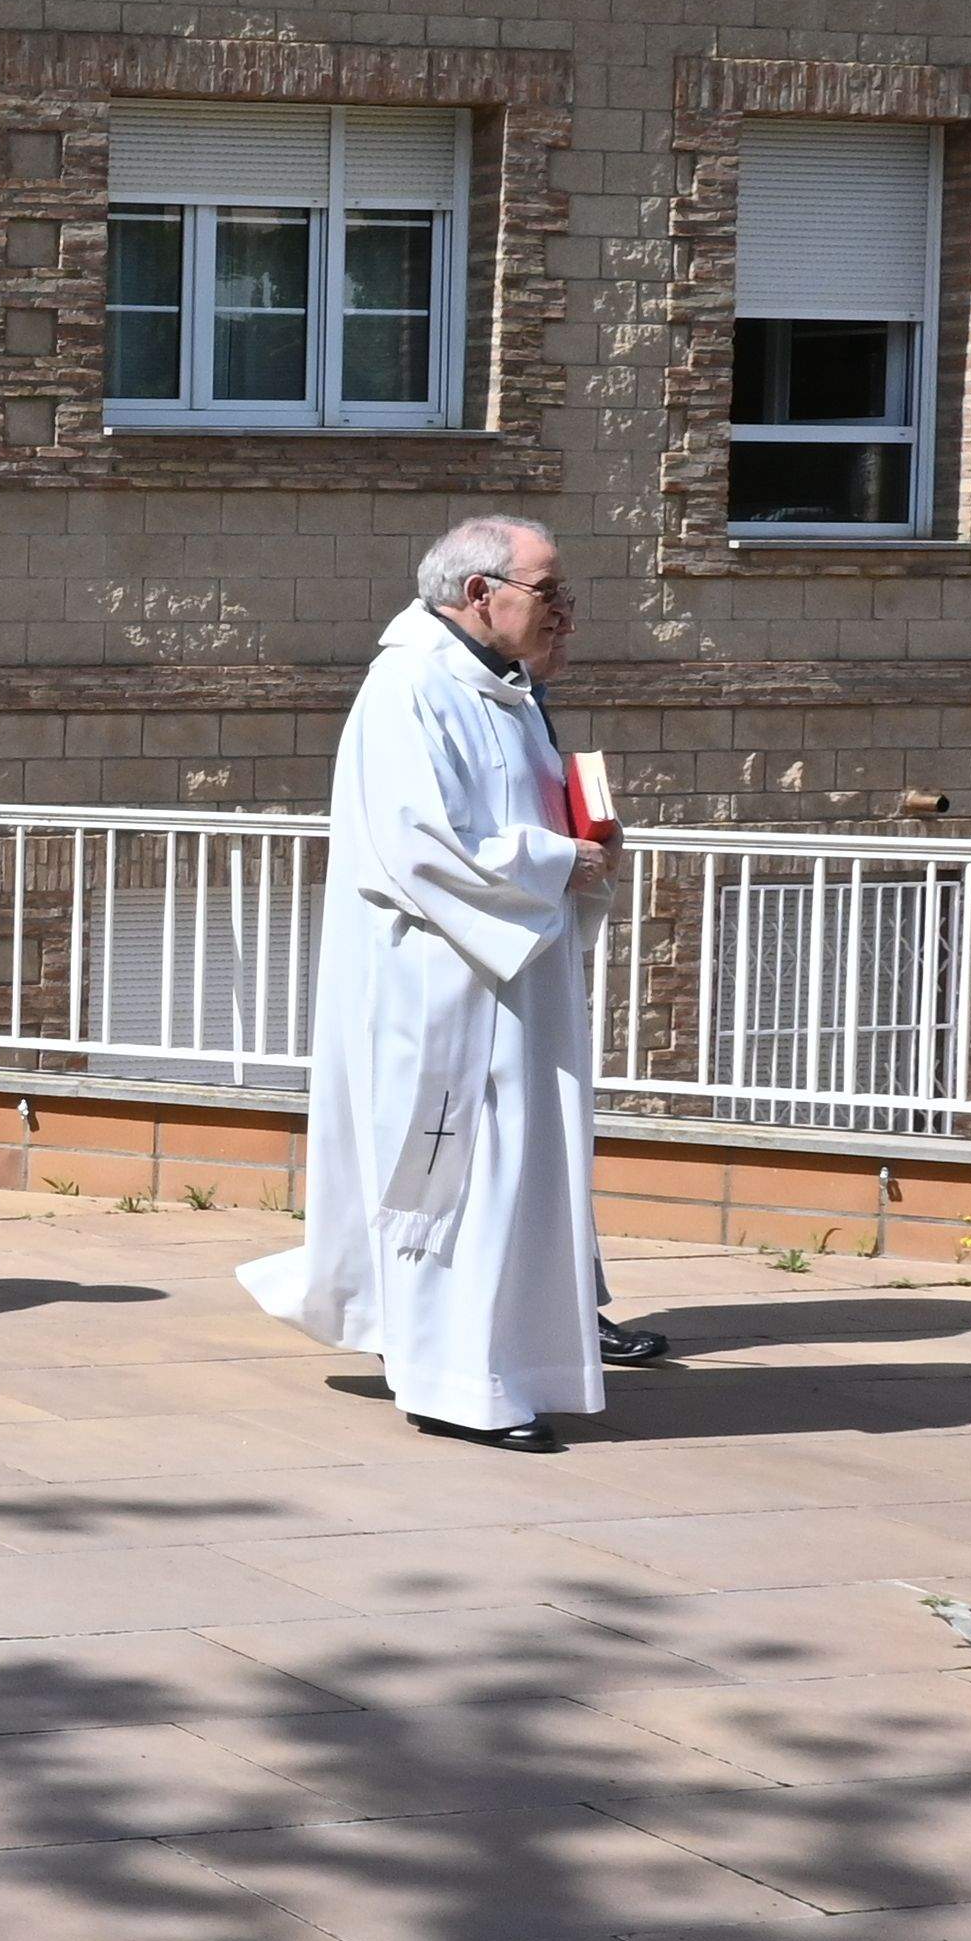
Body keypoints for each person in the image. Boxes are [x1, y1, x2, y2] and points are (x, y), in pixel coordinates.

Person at [242, 515, 642, 1454]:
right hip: (443, 980)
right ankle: (456, 1384)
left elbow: (513, 816)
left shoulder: (501, 689)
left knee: (510, 1176)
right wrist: (557, 862)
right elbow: (422, 840)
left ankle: (500, 1358)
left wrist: (580, 846)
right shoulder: (408, 685)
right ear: (480, 594)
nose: (566, 618)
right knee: (454, 1176)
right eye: (550, 595)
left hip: (511, 968)